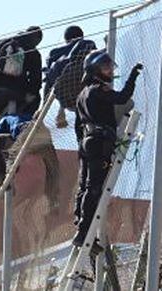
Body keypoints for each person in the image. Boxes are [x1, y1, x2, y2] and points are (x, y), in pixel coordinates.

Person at [72, 50, 143, 247]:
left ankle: (81, 226)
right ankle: (84, 232)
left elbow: (78, 126)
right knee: (94, 189)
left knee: (85, 187)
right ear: (95, 70)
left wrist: (83, 146)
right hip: (99, 142)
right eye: (105, 67)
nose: (110, 71)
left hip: (88, 142)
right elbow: (122, 97)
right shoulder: (97, 89)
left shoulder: (82, 94)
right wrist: (133, 75)